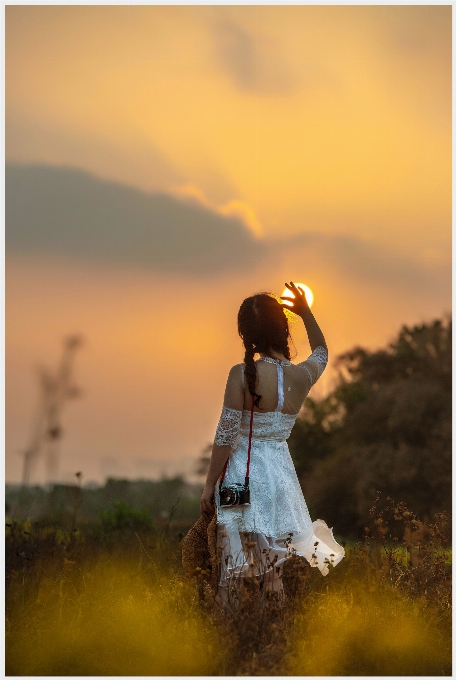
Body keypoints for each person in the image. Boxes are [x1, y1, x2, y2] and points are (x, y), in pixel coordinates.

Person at [200, 282, 344, 610]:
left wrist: (209, 485)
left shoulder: (241, 374)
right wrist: (306, 313)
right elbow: (321, 352)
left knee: (231, 567)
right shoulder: (302, 375)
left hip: (242, 476)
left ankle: (231, 639)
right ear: (283, 329)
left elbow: (225, 436)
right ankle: (273, 639)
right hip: (281, 477)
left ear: (246, 335)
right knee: (273, 574)